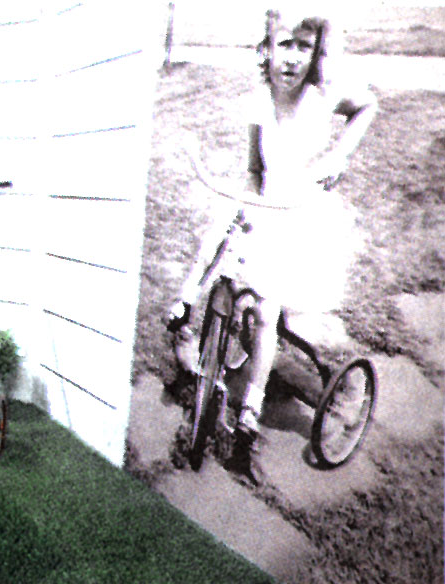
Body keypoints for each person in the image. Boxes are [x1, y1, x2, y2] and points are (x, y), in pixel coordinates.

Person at [168, 8, 377, 486]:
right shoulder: (260, 100)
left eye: (304, 47)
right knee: (219, 241)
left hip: (301, 220)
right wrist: (244, 204)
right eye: (284, 44)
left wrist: (339, 154)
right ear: (267, 48)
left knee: (265, 314)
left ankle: (246, 421)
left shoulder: (322, 96)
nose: (292, 57)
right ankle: (186, 319)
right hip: (267, 208)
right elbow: (254, 170)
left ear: (316, 52)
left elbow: (367, 107)